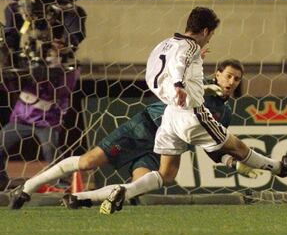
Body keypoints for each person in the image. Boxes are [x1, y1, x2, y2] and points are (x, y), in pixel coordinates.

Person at [99, 6, 287, 215]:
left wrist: (176, 86)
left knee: (166, 173)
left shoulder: (166, 44)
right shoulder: (190, 47)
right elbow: (179, 64)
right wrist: (179, 84)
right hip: (192, 114)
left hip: (170, 116)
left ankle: (124, 191)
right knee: (237, 146)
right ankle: (281, 168)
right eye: (211, 34)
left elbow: (161, 69)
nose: (209, 39)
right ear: (206, 31)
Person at [9, 58, 260, 209]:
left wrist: (234, 163)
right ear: (218, 74)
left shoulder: (223, 115)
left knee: (136, 186)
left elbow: (212, 147)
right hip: (143, 128)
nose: (231, 82)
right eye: (228, 76)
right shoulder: (196, 82)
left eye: (236, 79)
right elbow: (177, 81)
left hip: (160, 148)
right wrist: (205, 86)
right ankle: (28, 187)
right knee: (87, 162)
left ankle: (79, 198)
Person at [0, 0, 86, 191]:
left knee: (52, 152)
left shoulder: (65, 72)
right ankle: (1, 181)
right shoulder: (26, 69)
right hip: (22, 116)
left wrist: (63, 48)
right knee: (1, 145)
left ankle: (64, 185)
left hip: (47, 119)